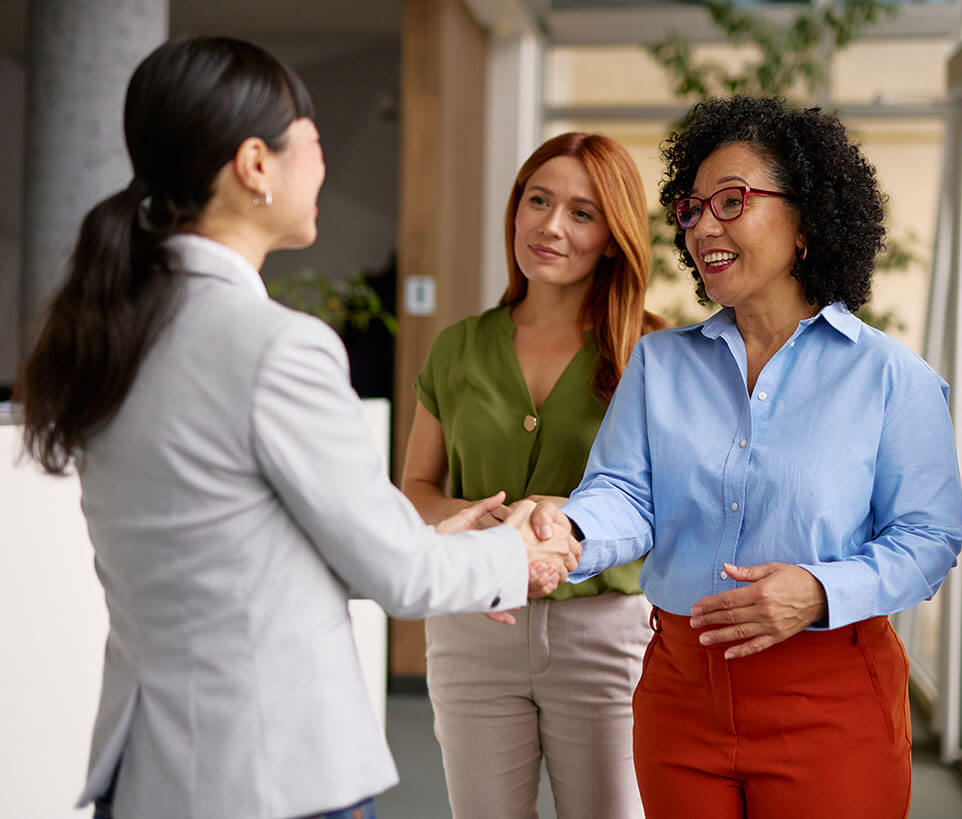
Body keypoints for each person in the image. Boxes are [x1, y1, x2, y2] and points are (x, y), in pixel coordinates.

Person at [15, 37, 578, 819]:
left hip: (147, 771)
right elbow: (400, 577)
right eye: (311, 141)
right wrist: (518, 551)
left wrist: (446, 540)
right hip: (267, 774)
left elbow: (243, 553)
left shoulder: (115, 329)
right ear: (255, 164)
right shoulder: (278, 345)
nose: (321, 163)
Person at [529, 96, 962, 819]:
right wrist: (568, 533)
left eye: (731, 201)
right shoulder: (660, 363)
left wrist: (819, 590)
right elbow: (625, 496)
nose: (704, 225)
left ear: (806, 223)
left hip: (830, 697)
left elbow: (928, 541)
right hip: (679, 692)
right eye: (692, 208)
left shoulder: (892, 379)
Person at [401, 132, 666, 819]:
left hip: (607, 635)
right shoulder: (459, 345)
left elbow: (673, 503)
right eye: (537, 200)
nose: (550, 225)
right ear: (515, 210)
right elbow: (416, 489)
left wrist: (565, 521)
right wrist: (488, 524)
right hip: (473, 627)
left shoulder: (656, 353)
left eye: (581, 212)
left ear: (613, 236)